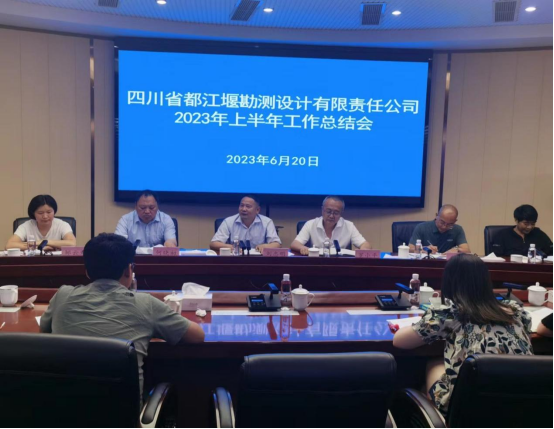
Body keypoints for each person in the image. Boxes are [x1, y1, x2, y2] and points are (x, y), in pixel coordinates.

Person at [40, 233, 205, 397]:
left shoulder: (62, 295)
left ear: (87, 271)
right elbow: (197, 335)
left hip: (62, 410)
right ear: (128, 270)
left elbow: (44, 331)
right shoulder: (146, 304)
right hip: (123, 413)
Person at [393, 254, 533, 415]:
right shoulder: (517, 311)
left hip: (469, 408)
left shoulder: (450, 313)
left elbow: (399, 341)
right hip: (521, 405)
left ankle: (432, 416)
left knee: (435, 363)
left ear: (449, 282)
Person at [290, 196, 371, 255]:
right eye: (328, 211)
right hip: (316, 264)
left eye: (336, 213)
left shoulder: (349, 226)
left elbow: (366, 244)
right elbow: (295, 244)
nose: (331, 216)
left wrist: (363, 250)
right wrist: (302, 248)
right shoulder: (311, 224)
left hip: (341, 266)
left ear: (341, 213)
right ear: (322, 210)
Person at [210, 195, 281, 252]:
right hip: (234, 260)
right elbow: (214, 244)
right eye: (241, 205)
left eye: (248, 206)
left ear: (257, 210)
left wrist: (265, 246)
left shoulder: (267, 222)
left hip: (259, 260)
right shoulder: (228, 222)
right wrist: (232, 247)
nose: (244, 209)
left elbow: (277, 244)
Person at [5, 194, 76, 251]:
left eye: (49, 212)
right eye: (40, 213)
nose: (45, 216)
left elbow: (72, 244)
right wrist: (37, 247)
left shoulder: (62, 225)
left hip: (57, 262)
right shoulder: (26, 226)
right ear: (33, 213)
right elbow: (9, 245)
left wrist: (45, 242)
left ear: (54, 211)